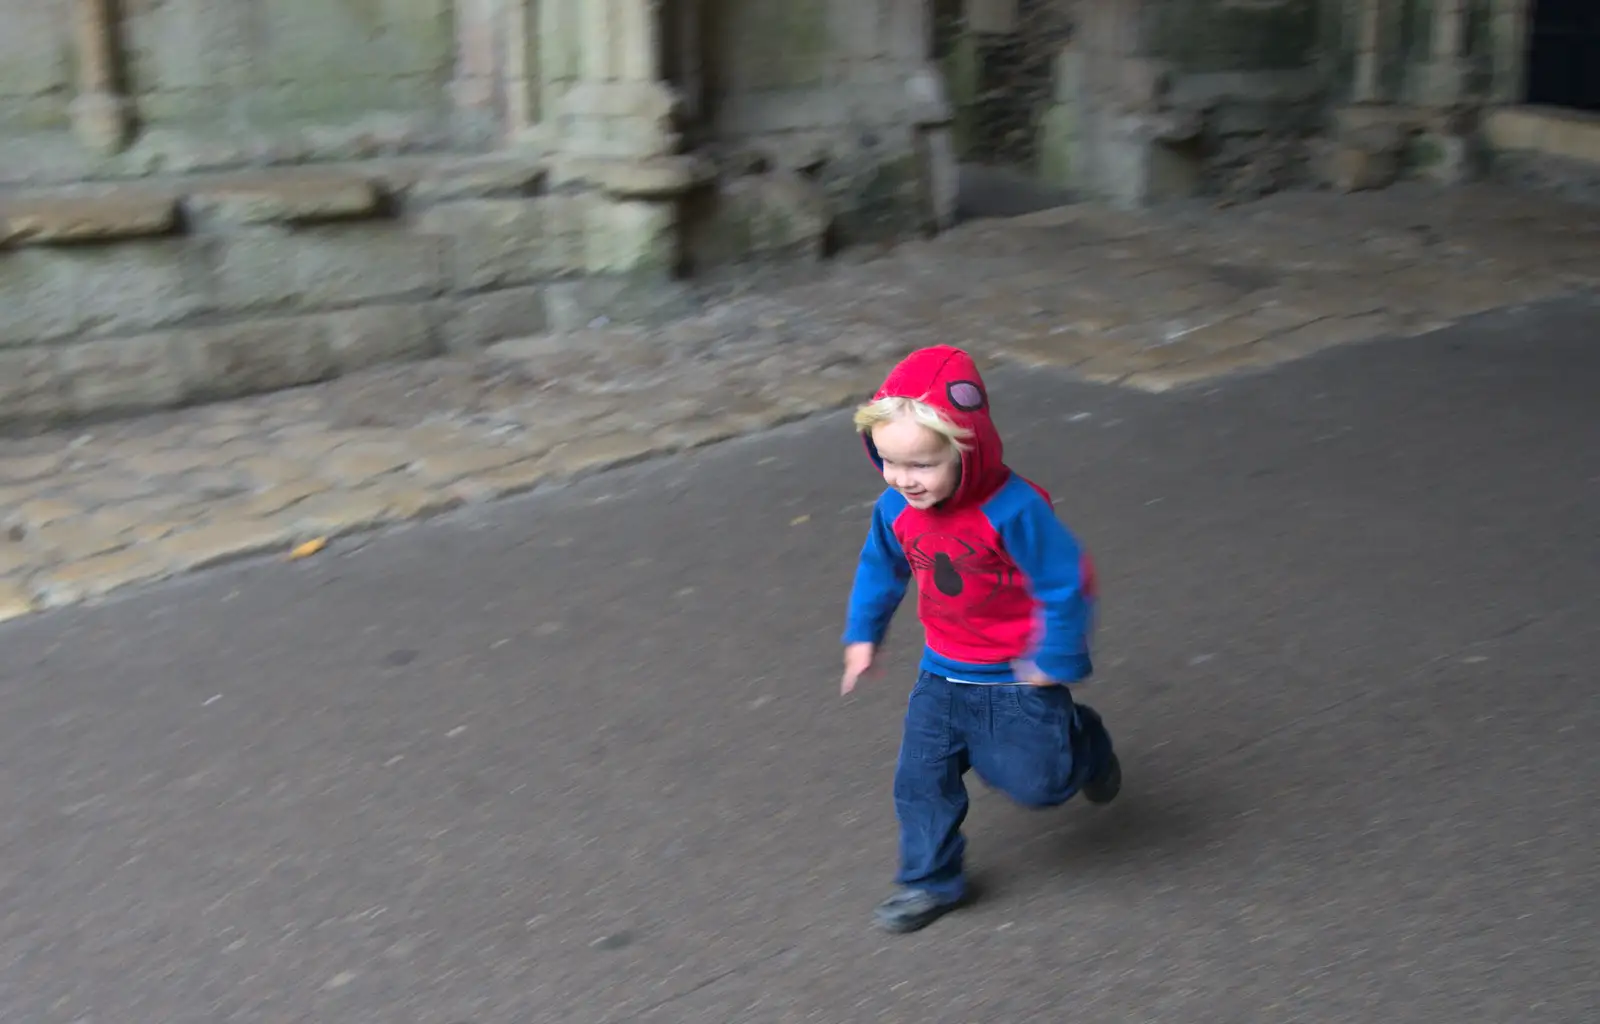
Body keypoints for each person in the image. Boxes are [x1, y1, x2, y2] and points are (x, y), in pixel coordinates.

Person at [840, 345, 1121, 934]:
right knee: (920, 781)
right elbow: (879, 567)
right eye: (888, 461)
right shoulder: (895, 508)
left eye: (921, 465)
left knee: (1038, 786)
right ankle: (929, 883)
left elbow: (1065, 578)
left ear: (967, 450)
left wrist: (1058, 656)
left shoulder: (1014, 509)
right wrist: (863, 634)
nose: (902, 479)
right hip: (941, 672)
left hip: (1016, 675)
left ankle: (1084, 741)